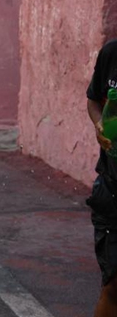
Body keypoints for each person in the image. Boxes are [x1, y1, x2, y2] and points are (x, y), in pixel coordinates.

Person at [86, 38, 117, 317]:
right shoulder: (112, 53)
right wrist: (99, 123)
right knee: (113, 285)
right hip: (112, 189)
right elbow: (94, 99)